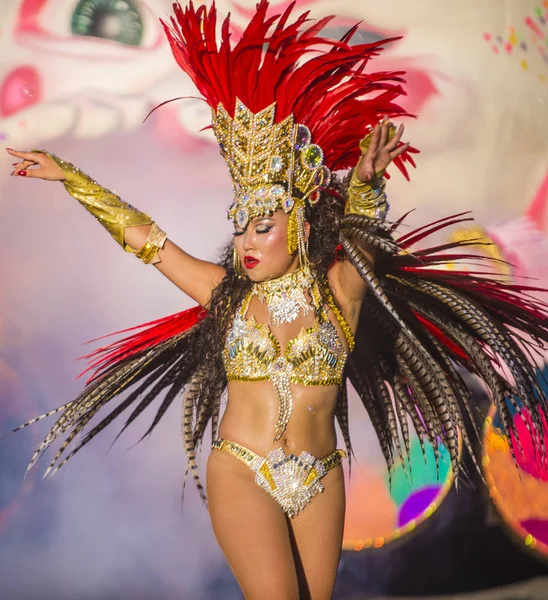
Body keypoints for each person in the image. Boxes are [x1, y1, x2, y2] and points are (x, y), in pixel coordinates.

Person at [6, 2, 548, 599]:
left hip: (319, 476)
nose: (245, 242)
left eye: (261, 226)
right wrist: (72, 178)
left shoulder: (341, 292)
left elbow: (366, 237)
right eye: (239, 227)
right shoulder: (222, 296)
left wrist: (366, 183)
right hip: (242, 469)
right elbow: (148, 239)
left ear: (299, 226)